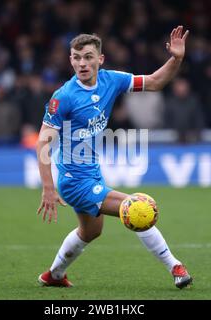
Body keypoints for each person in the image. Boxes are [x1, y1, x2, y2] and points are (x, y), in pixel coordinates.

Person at [36, 26, 192, 289]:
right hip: (74, 182)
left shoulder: (112, 80)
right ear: (70, 60)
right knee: (137, 208)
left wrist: (176, 59)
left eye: (87, 57)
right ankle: (175, 267)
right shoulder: (63, 97)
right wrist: (48, 187)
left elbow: (154, 82)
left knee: (91, 232)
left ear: (100, 59)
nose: (82, 63)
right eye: (76, 57)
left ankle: (54, 275)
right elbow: (43, 141)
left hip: (92, 172)